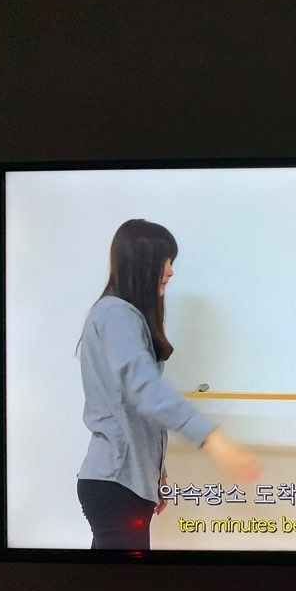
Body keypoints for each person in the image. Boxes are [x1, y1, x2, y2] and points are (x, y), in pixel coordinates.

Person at [76, 218, 259, 549]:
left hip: (122, 484)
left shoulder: (118, 314)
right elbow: (145, 389)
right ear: (140, 262)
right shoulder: (116, 314)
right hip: (115, 484)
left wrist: (154, 476)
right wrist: (214, 441)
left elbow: (135, 407)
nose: (171, 271)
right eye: (165, 260)